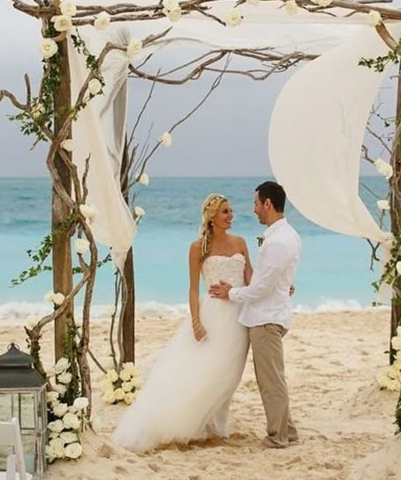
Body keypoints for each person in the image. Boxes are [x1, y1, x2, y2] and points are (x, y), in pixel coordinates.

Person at [111, 193, 252, 451]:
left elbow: (252, 280)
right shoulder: (198, 247)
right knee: (211, 371)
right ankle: (212, 430)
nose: (231, 215)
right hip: (213, 315)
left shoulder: (241, 243)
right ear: (211, 217)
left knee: (230, 376)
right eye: (225, 212)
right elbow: (192, 289)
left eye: (231, 211)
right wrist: (197, 323)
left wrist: (277, 288)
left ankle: (216, 426)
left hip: (239, 317)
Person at [209, 180, 301, 449]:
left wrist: (231, 293)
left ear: (268, 204)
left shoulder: (279, 242)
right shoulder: (284, 235)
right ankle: (288, 431)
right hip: (267, 313)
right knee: (273, 378)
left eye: (256, 204)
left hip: (266, 318)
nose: (254, 209)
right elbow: (272, 279)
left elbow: (261, 287)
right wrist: (284, 285)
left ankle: (277, 436)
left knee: (271, 382)